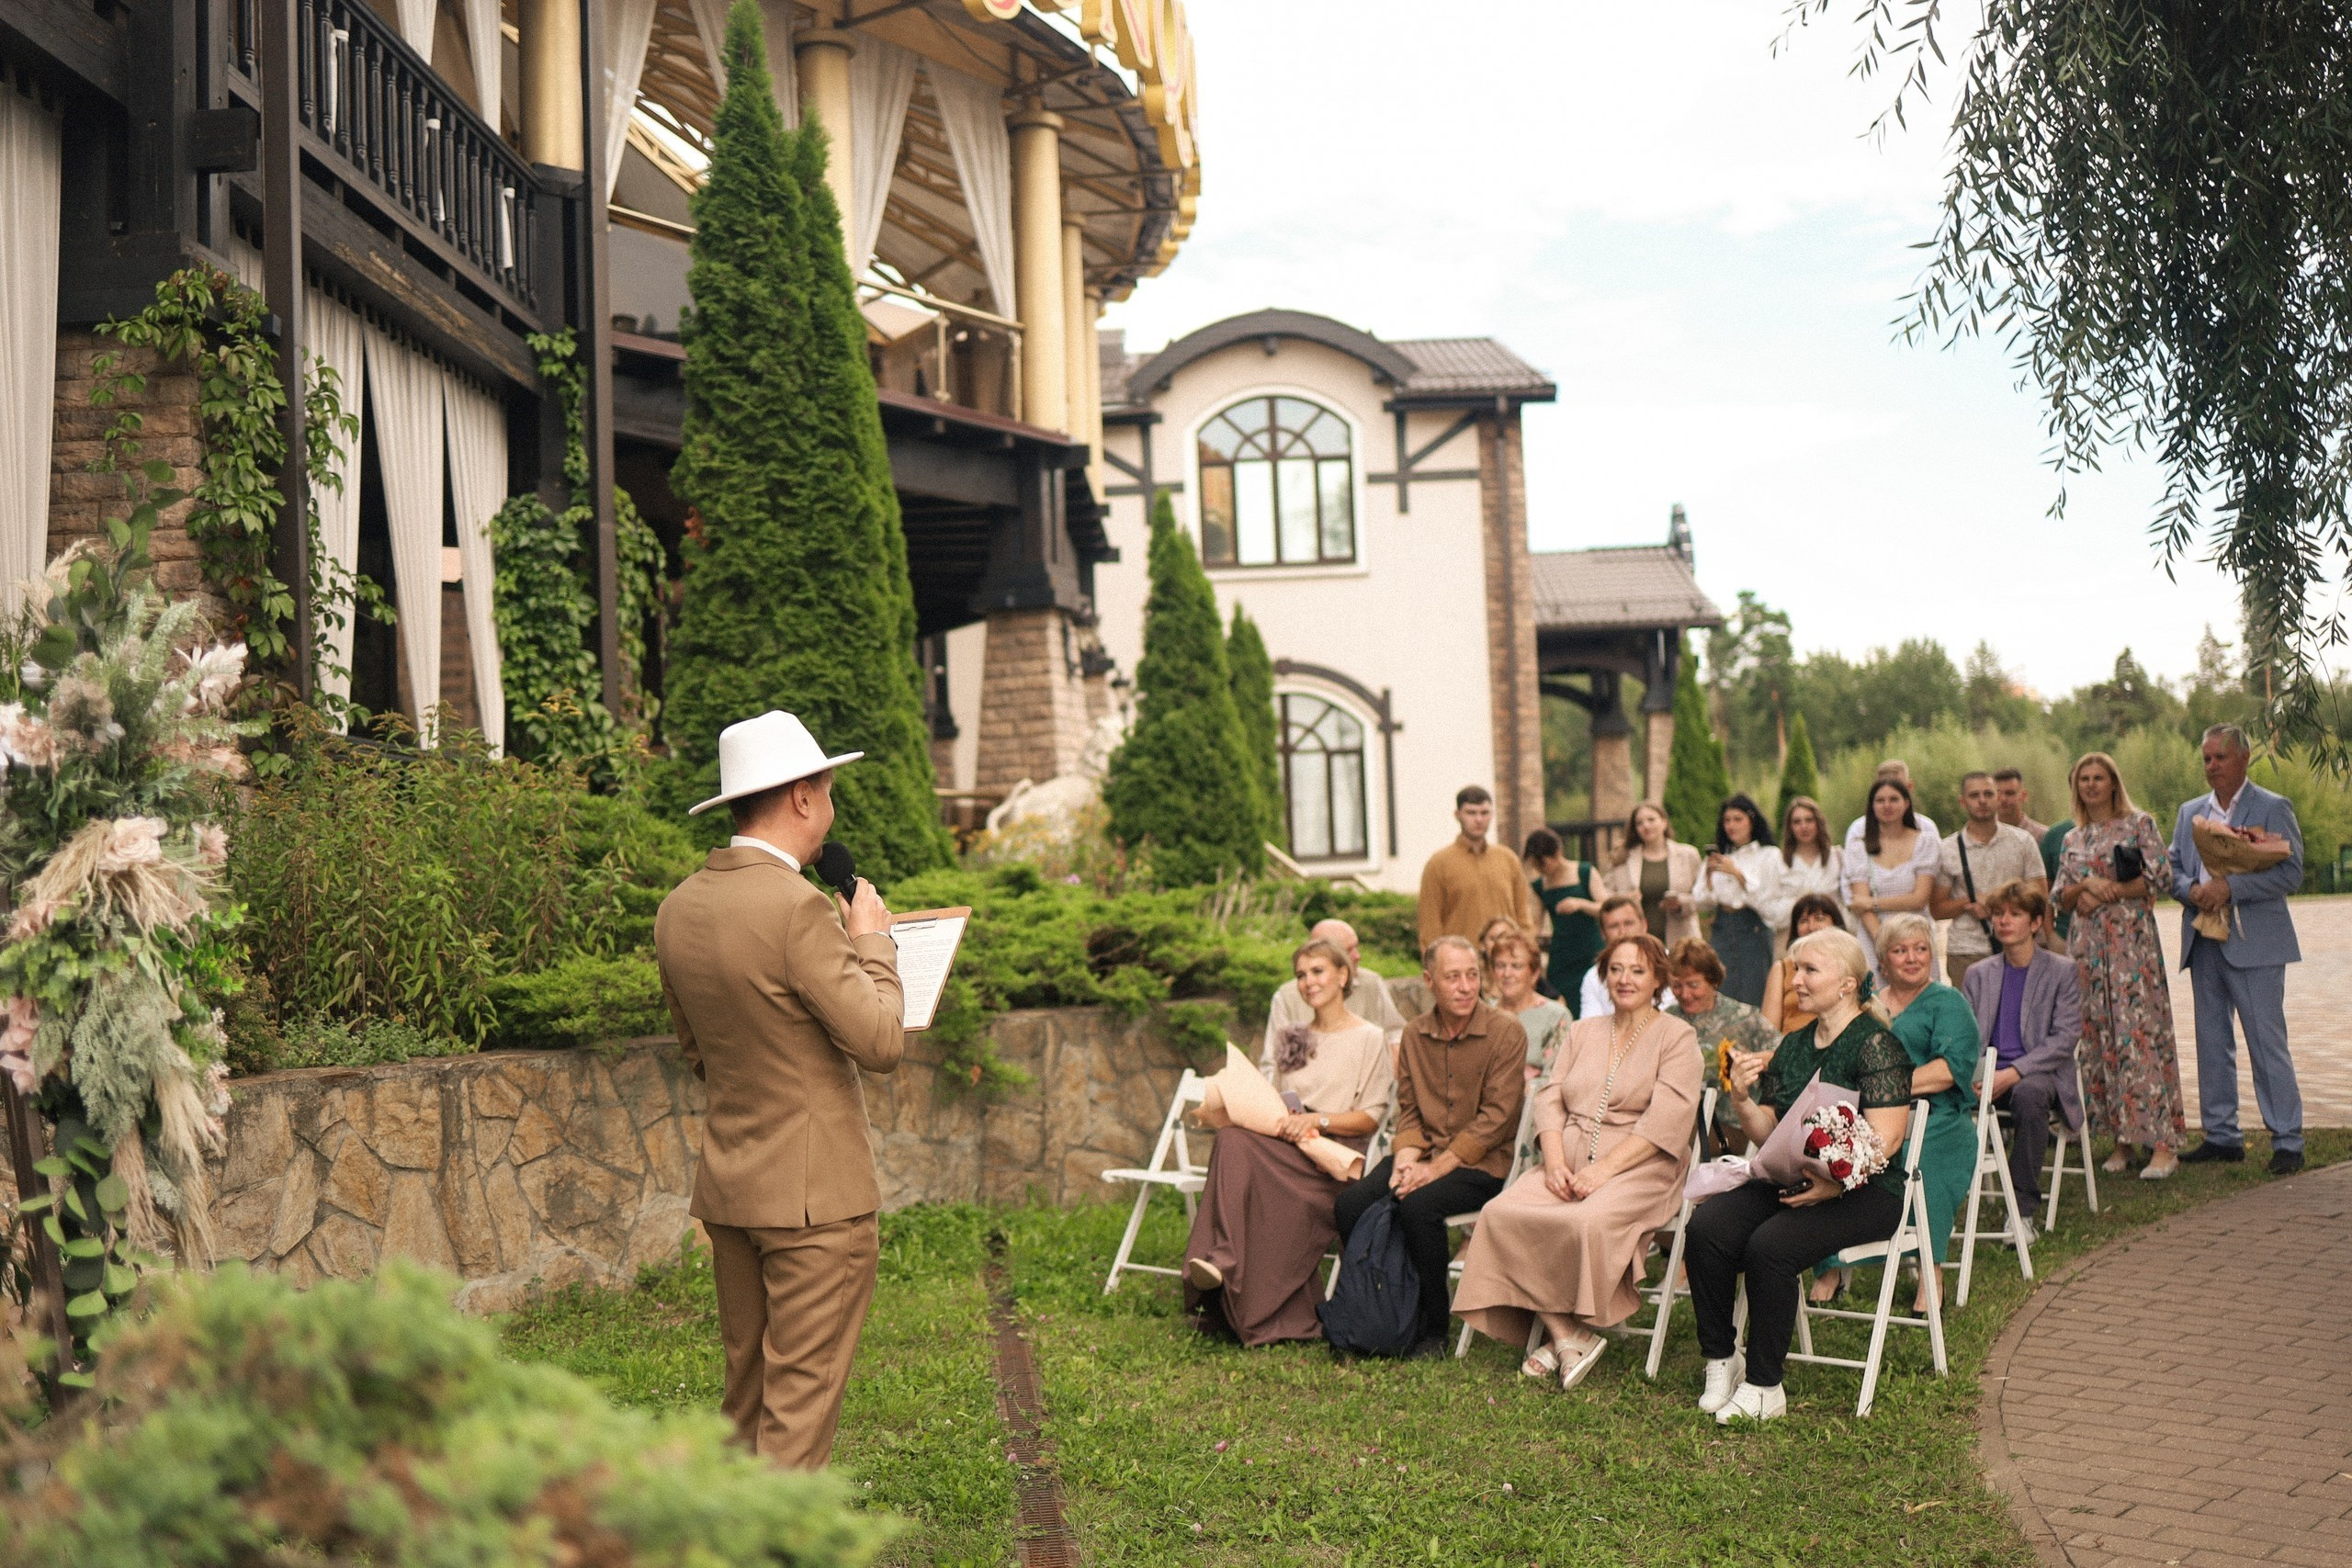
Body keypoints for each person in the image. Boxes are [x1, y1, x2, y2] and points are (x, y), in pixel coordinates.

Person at [655, 711, 906, 1468]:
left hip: (733, 1193)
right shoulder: (798, 908)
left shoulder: (678, 909)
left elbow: (701, 1054)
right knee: (796, 1419)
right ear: (801, 797)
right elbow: (882, 1041)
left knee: (747, 1405)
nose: (831, 806)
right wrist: (872, 941)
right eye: (827, 788)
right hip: (816, 1206)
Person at [1453, 933, 1702, 1390]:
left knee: (1584, 1221)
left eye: (1638, 971)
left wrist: (1602, 1171)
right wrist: (1552, 1164)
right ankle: (1567, 1333)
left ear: (1658, 981)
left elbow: (1669, 1118)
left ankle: (1561, 1334)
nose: (1625, 979)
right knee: (1501, 1213)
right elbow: (1549, 1099)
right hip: (1564, 1159)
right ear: (1605, 975)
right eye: (1617, 969)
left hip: (1641, 1167)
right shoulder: (1582, 1031)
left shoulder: (1677, 1036)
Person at [1689, 928, 1915, 1425]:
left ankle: (1766, 1386)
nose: (1796, 981)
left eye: (1810, 970)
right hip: (1793, 1178)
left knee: (1770, 1247)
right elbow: (1770, 1131)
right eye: (1795, 970)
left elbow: (1887, 1140)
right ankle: (1722, 1361)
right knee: (1708, 1229)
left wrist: (1834, 1183)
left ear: (1847, 984)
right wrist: (1744, 1099)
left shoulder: (1877, 1046)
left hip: (1868, 1191)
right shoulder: (1793, 1045)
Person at [1183, 940, 1393, 1346]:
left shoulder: (1370, 1037)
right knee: (1230, 1137)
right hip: (1286, 1148)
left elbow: (1371, 1116)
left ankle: (1223, 1266)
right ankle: (1222, 1260)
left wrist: (1317, 1120)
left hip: (1332, 1160)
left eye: (1317, 971)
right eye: (1300, 975)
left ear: (1343, 975)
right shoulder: (1292, 1036)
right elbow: (1273, 1100)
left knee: (1237, 1148)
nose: (1307, 982)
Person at [1332, 936, 1527, 1358]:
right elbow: (1410, 1113)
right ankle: (1378, 1309)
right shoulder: (1416, 1035)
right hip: (1421, 1155)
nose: (1465, 986)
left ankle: (1433, 1329)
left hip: (1481, 1164)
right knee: (1349, 1205)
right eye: (1452, 977)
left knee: (1418, 1207)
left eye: (1472, 975)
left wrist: (1432, 1171)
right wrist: (1405, 1162)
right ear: (1429, 981)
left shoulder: (1505, 1032)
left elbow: (1496, 1120)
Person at [1810, 912, 1976, 1312]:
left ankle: (1930, 1269)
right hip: (1872, 1117)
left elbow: (1948, 1071)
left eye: (1921, 949)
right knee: (1825, 1151)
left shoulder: (1948, 1002)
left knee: (1921, 1159)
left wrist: (1881, 1088)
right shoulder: (1867, 1006)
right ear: (1883, 961)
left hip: (1937, 1118)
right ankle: (1829, 1265)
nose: (1913, 958)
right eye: (1900, 950)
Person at [2168, 724, 2307, 1176]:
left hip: (2257, 944)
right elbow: (2170, 869)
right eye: (2206, 759)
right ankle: (2222, 1135)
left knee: (2267, 1043)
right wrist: (2191, 890)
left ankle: (2287, 1139)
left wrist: (2232, 887)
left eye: (2220, 758)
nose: (2211, 767)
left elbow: (2291, 874)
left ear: (2244, 758)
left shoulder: (2271, 807)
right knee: (2211, 1041)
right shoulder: (2191, 812)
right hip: (2204, 940)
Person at [2054, 752, 2184, 1180]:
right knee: (2099, 1038)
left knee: (2137, 1033)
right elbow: (2060, 895)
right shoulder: (2073, 838)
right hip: (2087, 948)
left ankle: (2163, 1143)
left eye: (2099, 777)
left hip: (2130, 944)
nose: (2091, 785)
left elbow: (2161, 877)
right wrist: (2084, 889)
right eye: (2084, 778)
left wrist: (2110, 889)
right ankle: (2121, 1139)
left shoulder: (2138, 824)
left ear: (2113, 783)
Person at [1961, 883, 2084, 1236]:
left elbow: (2064, 1039)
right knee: (1935, 1097)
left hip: (2037, 1071)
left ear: (2035, 923)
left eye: (2015, 914)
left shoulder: (2062, 971)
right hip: (1985, 1072)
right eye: (1999, 914)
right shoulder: (1978, 974)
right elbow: (1966, 1037)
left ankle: (2021, 1211)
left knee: (2030, 1095)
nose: (2004, 921)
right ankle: (1928, 1204)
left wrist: (2013, 1073)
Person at [1929, 771, 2050, 989]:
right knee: (1972, 1020)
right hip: (1967, 949)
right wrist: (1970, 903)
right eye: (1974, 796)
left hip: (2019, 944)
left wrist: (1998, 904)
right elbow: (1938, 909)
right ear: (1963, 802)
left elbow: (2041, 894)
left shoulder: (2022, 841)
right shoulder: (1948, 849)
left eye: (1988, 794)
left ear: (1998, 797)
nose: (1982, 801)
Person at [1664, 938, 1776, 1150]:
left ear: (1713, 980)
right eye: (1677, 986)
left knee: (1672, 1145)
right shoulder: (1666, 1021)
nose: (1685, 994)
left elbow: (1784, 1055)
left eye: (1693, 985)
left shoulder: (1744, 1017)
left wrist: (1747, 1062)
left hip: (1732, 1127)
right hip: (1679, 1122)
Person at [1264, 918, 1409, 1051]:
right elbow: (1273, 1060)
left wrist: (1394, 1053)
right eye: (1348, 950)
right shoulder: (1286, 996)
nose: (1357, 956)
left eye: (1356, 947)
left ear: (1343, 975)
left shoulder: (1371, 983)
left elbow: (1395, 1031)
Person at [1419, 785, 1535, 950]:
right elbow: (1430, 926)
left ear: (1492, 815)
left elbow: (1523, 917)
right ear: (1457, 815)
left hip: (1505, 963)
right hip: (1461, 965)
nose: (1479, 819)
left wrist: (1526, 953)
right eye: (1471, 813)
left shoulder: (1508, 859)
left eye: (1484, 813)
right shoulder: (1438, 864)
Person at [1845, 776, 1939, 975]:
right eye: (1880, 800)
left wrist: (1872, 902)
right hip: (1874, 938)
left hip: (1916, 936)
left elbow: (1919, 899)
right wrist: (1885, 947)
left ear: (1906, 803)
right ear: (1872, 806)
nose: (1887, 805)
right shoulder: (1858, 847)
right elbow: (1861, 905)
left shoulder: (1925, 842)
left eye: (1894, 799)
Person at [1695, 795, 1779, 1005]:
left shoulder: (1768, 855)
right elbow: (1701, 902)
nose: (1731, 825)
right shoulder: (1718, 856)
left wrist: (1738, 875)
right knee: (1722, 990)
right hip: (1722, 927)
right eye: (1727, 820)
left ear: (1751, 820)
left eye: (1737, 819)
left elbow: (1768, 902)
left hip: (1753, 928)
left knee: (1755, 992)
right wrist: (1708, 876)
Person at [1523, 829, 1604, 1015]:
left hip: (1590, 951)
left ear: (1557, 853)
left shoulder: (1585, 872)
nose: (1541, 869)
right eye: (1536, 865)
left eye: (1543, 863)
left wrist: (1580, 904)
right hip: (1562, 956)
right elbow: (1535, 924)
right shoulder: (1540, 886)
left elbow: (1605, 908)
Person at [1604, 801, 1702, 948]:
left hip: (1681, 941)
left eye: (1651, 820)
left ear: (1664, 822)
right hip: (1636, 942)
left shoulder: (1688, 855)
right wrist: (1625, 900)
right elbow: (1605, 896)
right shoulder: (1623, 858)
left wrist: (1680, 903)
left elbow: (1704, 898)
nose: (1646, 826)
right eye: (1639, 823)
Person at [1757, 795, 1845, 953]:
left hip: (1833, 942)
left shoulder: (1837, 857)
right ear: (1790, 827)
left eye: (1809, 820)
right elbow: (1767, 908)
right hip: (1791, 940)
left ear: (1818, 822)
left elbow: (1848, 903)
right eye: (1797, 822)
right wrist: (1801, 904)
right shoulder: (1778, 861)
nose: (1804, 826)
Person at [1487, 923, 1568, 1081]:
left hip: (1535, 1102)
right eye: (1500, 966)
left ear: (1534, 973)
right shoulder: (1484, 1013)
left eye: (1516, 966)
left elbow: (1555, 1078)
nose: (1507, 974)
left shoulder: (1557, 1016)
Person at [1760, 894, 1849, 1034]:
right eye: (1803, 921)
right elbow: (1768, 1031)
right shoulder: (1782, 969)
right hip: (1791, 1048)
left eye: (1820, 919)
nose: (1811, 927)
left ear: (1835, 924)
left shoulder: (1850, 964)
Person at [1842, 760, 1940, 852]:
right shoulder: (1859, 830)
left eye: (1895, 794)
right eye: (1883, 789)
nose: (1887, 805)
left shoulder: (1926, 829)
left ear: (1909, 787)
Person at [1579, 896, 1651, 1020]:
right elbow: (1590, 1026)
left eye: (1628, 923)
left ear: (1644, 925)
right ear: (1602, 934)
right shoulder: (1593, 977)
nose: (1622, 932)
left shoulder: (1668, 965)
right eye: (1614, 926)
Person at [1994, 767, 2049, 843]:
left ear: (2024, 796)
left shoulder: (2043, 836)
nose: (2003, 799)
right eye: (1998, 793)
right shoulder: (1982, 835)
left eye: (2010, 793)